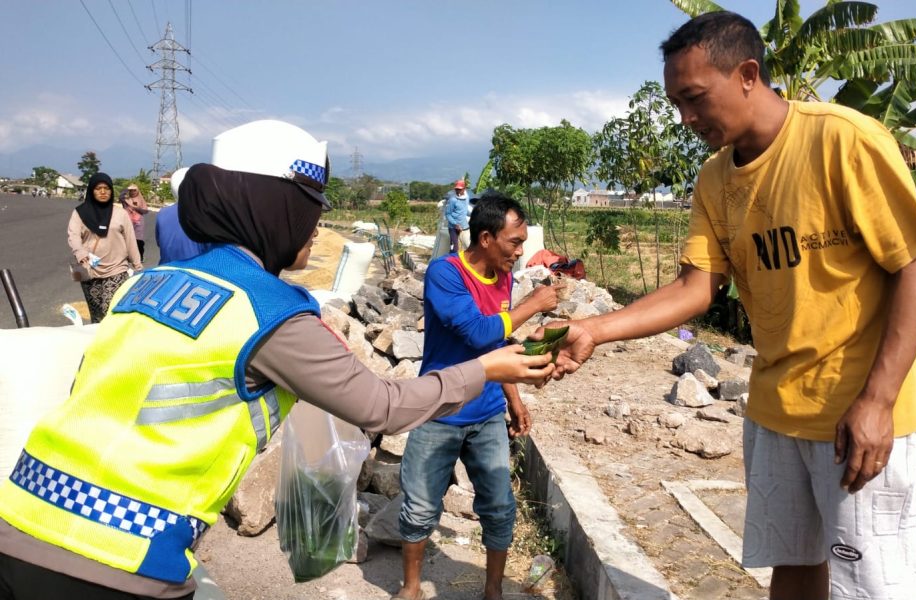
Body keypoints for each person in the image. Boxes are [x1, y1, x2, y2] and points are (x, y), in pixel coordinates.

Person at [0, 120, 555, 600]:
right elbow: (382, 407)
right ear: (270, 208)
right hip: (118, 558)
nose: (315, 225)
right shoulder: (269, 310)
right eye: (307, 209)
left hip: (18, 515)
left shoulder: (147, 282)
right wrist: (488, 369)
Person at [548, 12, 916, 600]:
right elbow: (695, 288)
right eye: (677, 105)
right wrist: (594, 329)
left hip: (860, 413)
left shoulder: (842, 140)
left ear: (747, 74)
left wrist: (879, 401)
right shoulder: (714, 179)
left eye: (695, 98)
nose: (686, 119)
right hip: (777, 409)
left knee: (871, 588)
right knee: (792, 568)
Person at [395, 194, 561, 600]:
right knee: (419, 508)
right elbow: (478, 333)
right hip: (439, 410)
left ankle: (492, 593)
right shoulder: (444, 273)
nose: (521, 251)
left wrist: (515, 399)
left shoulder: (502, 275)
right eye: (514, 242)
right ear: (486, 238)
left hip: (486, 414)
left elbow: (498, 344)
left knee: (500, 507)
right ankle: (412, 588)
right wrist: (533, 305)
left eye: (522, 242)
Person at [67, 173, 143, 323]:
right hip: (90, 272)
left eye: (107, 188)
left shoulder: (120, 214)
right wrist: (80, 252)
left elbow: (130, 240)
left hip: (117, 270)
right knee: (97, 316)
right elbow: (73, 235)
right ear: (91, 191)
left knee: (110, 313)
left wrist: (137, 266)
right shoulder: (80, 213)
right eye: (98, 188)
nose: (103, 192)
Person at [155, 168, 212, 265]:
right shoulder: (205, 213)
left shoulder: (162, 214)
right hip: (195, 273)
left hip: (167, 272)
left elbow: (160, 243)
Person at [122, 183, 150, 260]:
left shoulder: (141, 199)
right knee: (127, 239)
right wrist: (126, 189)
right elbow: (121, 197)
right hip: (128, 221)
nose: (133, 192)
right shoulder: (126, 200)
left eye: (134, 190)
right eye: (131, 190)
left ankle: (140, 257)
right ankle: (128, 257)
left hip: (138, 222)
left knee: (138, 241)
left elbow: (146, 211)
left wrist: (137, 208)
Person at [444, 179, 471, 253]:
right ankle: (451, 262)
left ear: (464, 189)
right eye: (456, 189)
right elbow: (448, 214)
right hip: (453, 227)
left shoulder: (466, 198)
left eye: (459, 189)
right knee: (455, 249)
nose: (457, 191)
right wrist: (455, 224)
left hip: (464, 227)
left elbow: (465, 210)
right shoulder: (453, 200)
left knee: (466, 246)